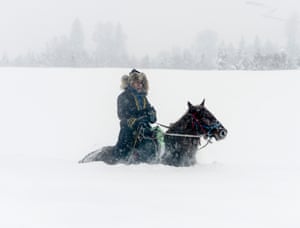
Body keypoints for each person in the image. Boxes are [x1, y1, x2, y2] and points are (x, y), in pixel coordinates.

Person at [111, 69, 157, 163]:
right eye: (137, 83)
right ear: (131, 83)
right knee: (125, 146)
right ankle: (121, 160)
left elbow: (151, 117)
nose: (139, 85)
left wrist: (152, 115)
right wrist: (133, 120)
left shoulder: (143, 98)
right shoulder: (123, 97)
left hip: (145, 128)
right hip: (129, 130)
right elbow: (121, 115)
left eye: (141, 83)